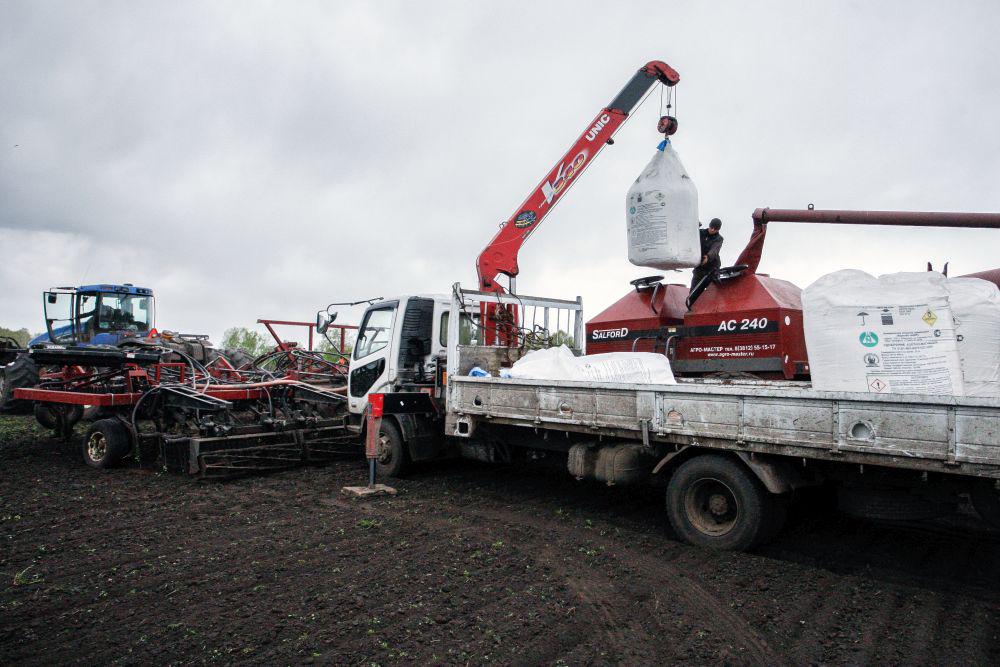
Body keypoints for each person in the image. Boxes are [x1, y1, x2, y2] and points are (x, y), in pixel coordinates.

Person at [690, 218, 724, 293]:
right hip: (700, 266)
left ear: (718, 230)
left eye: (715, 229)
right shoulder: (700, 233)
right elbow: (690, 234)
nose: (712, 230)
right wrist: (694, 226)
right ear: (709, 225)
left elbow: (715, 250)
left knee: (712, 291)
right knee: (694, 290)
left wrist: (708, 257)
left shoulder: (719, 239)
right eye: (711, 227)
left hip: (712, 268)